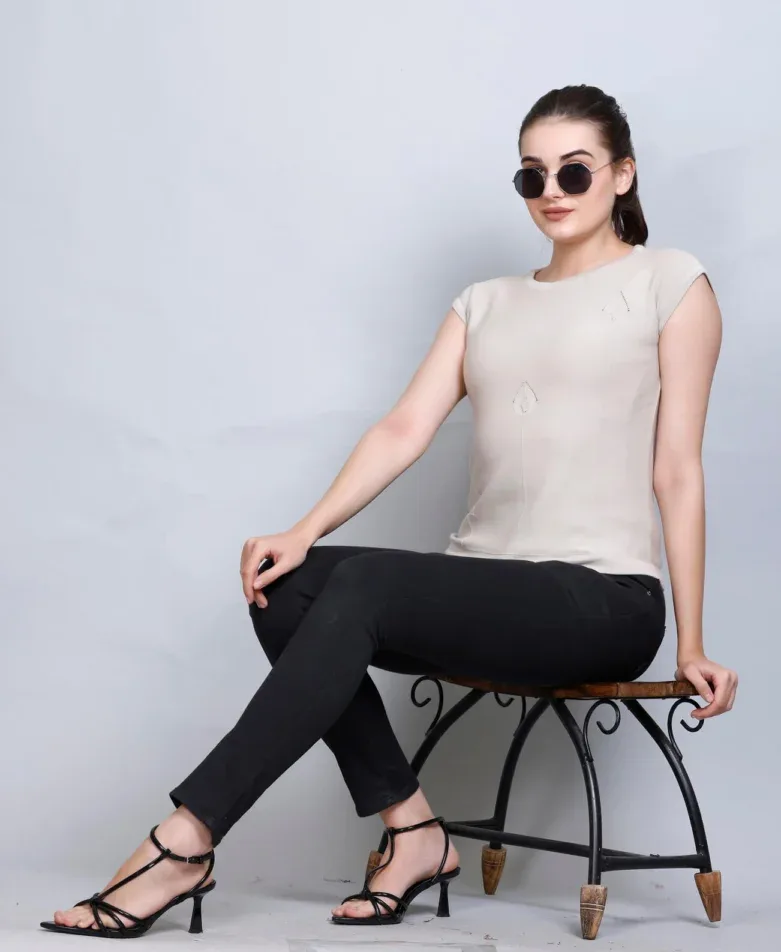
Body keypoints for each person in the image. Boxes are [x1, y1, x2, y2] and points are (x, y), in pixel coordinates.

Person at [43, 83, 738, 937]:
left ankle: (184, 841)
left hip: (601, 598)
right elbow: (404, 428)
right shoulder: (485, 302)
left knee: (363, 586)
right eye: (531, 176)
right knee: (285, 585)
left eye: (574, 171)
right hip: (489, 586)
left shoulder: (670, 282)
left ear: (622, 174)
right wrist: (302, 531)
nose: (551, 191)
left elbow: (677, 470)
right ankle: (413, 832)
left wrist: (692, 642)